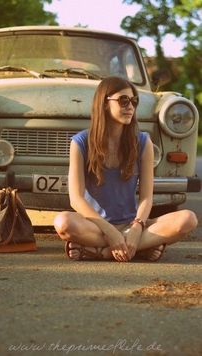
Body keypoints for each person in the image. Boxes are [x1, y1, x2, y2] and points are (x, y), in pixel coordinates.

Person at [54, 76, 198, 262]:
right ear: (104, 103)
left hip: (132, 224)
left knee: (188, 219)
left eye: (133, 101)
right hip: (95, 226)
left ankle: (101, 252)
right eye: (123, 100)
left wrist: (137, 227)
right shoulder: (80, 142)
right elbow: (76, 199)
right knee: (63, 222)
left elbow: (146, 197)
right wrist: (110, 232)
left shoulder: (143, 142)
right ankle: (139, 248)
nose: (130, 106)